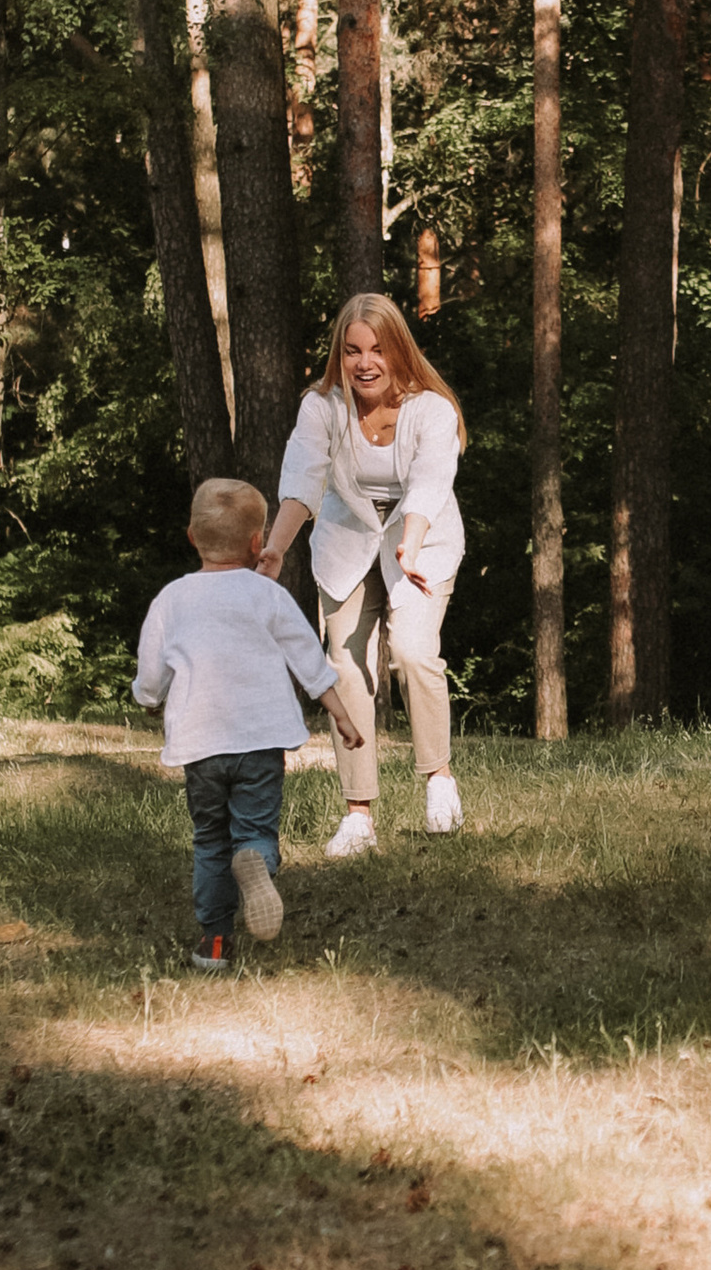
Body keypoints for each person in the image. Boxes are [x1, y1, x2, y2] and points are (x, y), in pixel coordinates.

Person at [261, 291, 468, 859]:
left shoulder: (431, 409)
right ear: (341, 355)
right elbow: (302, 479)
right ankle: (358, 814)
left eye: (378, 349)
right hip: (347, 542)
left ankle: (439, 781)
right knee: (344, 667)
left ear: (398, 349)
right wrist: (276, 551)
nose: (365, 362)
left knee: (413, 651)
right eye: (353, 351)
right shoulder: (321, 406)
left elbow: (430, 479)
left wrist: (412, 542)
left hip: (420, 542)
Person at [133, 476, 361, 970]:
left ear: (192, 536)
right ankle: (256, 858)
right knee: (254, 830)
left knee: (210, 839)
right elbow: (308, 659)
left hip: (201, 745)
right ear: (258, 543)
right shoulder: (267, 596)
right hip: (260, 742)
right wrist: (339, 712)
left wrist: (149, 698)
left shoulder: (172, 599)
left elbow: (151, 670)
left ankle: (214, 943)